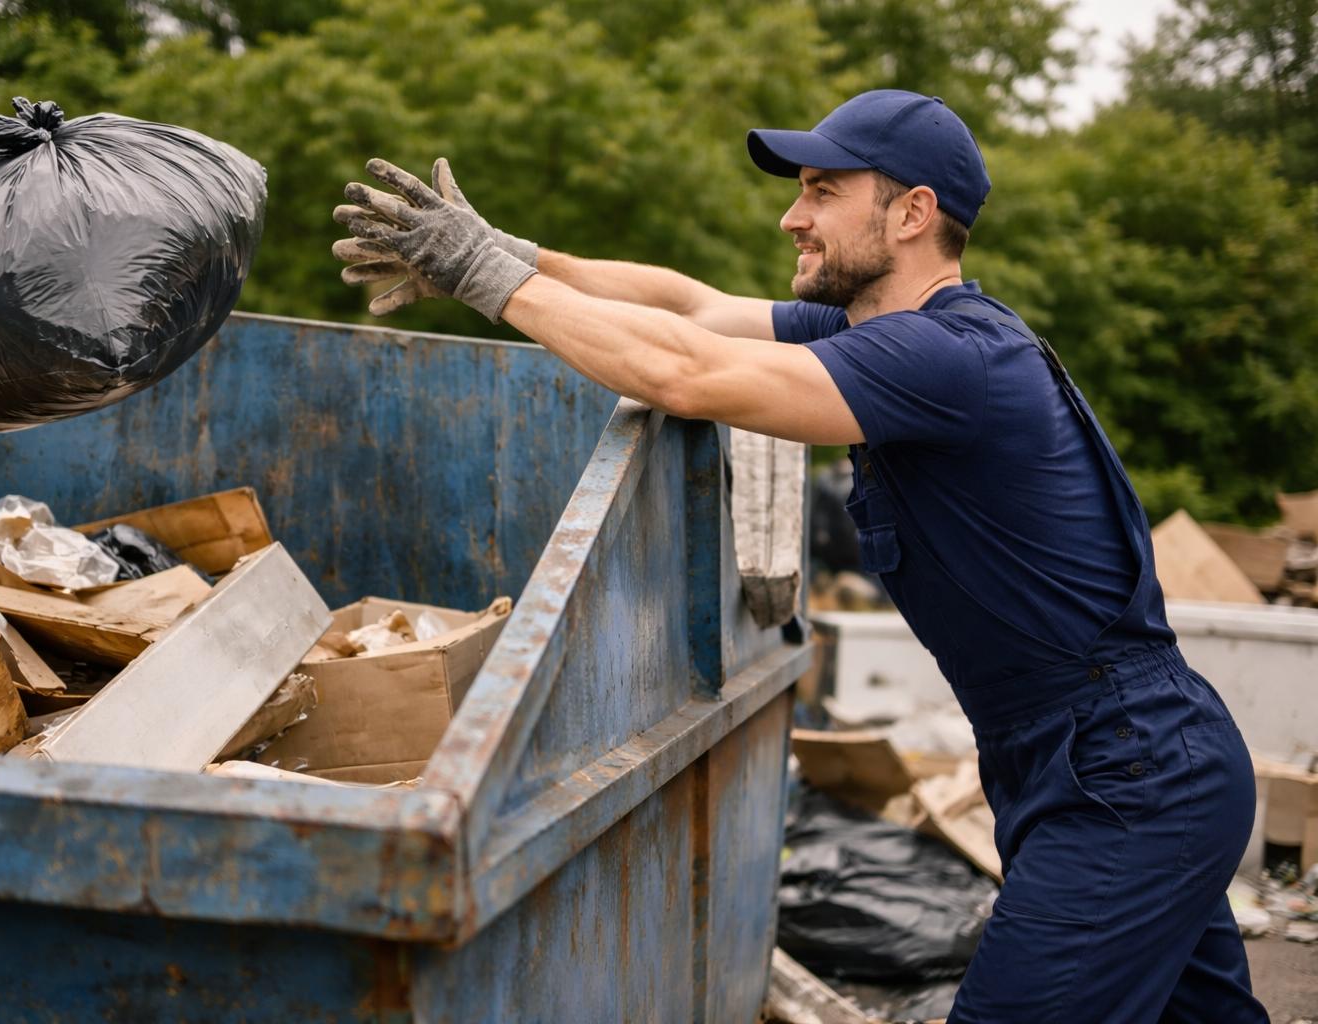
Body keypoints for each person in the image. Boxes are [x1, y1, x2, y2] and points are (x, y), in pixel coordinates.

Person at [331, 89, 1268, 1023]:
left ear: (912, 213)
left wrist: (492, 282)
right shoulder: (878, 335)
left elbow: (684, 372)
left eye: (822, 190)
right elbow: (689, 308)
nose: (792, 214)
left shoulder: (951, 358)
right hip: (1106, 764)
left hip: (1128, 773)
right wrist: (508, 256)